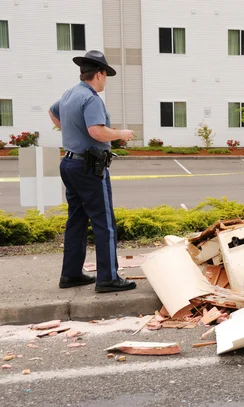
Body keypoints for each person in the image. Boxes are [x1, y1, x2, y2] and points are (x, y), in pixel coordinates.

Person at [49, 50, 137, 293]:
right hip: (89, 168)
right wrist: (121, 133)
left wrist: (70, 129)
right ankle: (108, 278)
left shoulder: (69, 94)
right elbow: (97, 132)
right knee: (104, 222)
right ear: (98, 74)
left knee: (76, 220)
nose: (105, 80)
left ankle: (71, 274)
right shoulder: (91, 99)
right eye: (105, 75)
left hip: (69, 163)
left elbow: (52, 112)